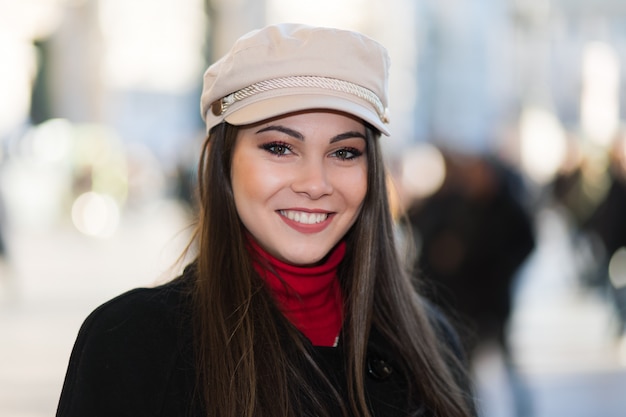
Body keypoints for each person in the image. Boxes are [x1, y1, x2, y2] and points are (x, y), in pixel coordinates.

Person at [56, 23, 476, 417]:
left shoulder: (432, 345)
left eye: (344, 152)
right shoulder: (131, 343)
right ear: (223, 163)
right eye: (279, 147)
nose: (316, 183)